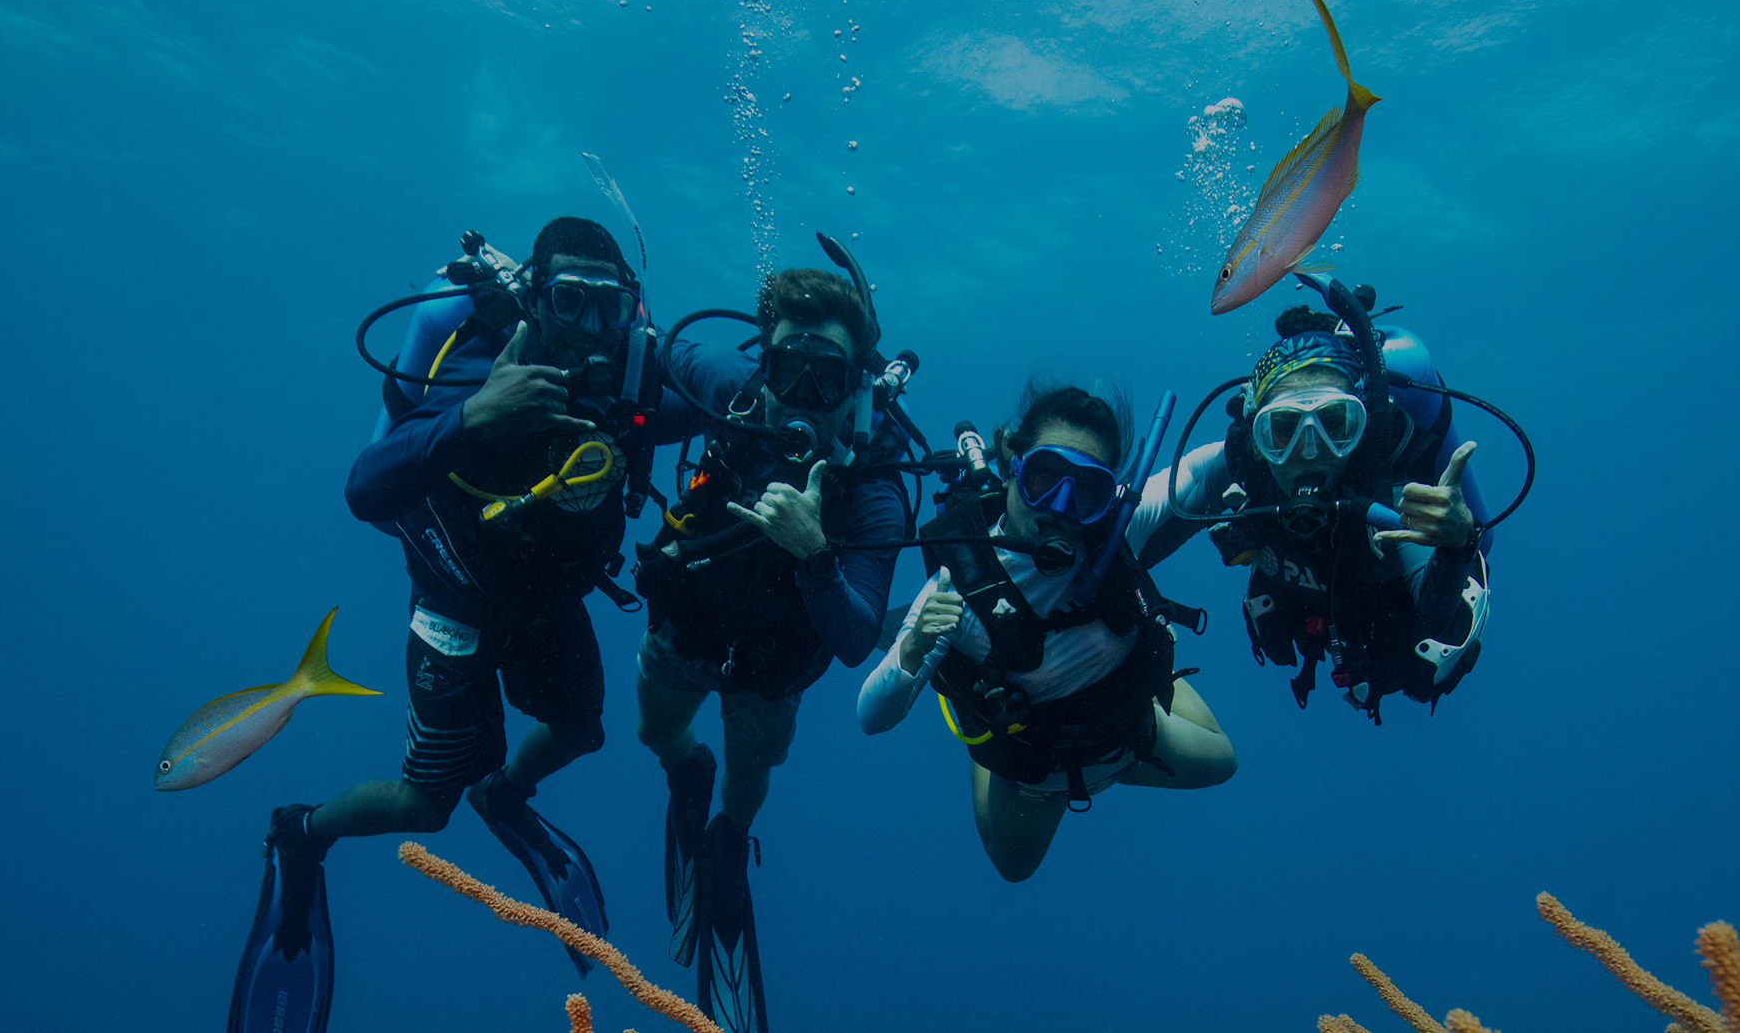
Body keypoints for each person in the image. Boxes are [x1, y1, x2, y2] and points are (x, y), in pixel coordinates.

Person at [227, 218, 679, 1033]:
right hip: (456, 612)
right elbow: (365, 490)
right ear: (536, 299)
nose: (583, 328)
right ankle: (302, 832)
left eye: (603, 308)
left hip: (547, 601)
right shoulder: (477, 364)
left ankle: (502, 795)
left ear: (628, 311)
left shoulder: (631, 382)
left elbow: (719, 398)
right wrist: (475, 413)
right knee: (424, 804)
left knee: (581, 730)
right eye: (566, 302)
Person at [633, 266, 905, 1033]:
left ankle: (729, 839)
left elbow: (856, 639)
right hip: (688, 625)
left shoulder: (876, 481)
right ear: (764, 365)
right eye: (790, 369)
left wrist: (815, 552)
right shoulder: (733, 391)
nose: (802, 396)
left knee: (749, 778)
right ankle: (688, 772)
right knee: (656, 732)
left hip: (774, 669)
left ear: (856, 387)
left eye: (827, 378)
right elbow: (656, 353)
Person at [857, 383, 1238, 883]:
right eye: (1045, 476)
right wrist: (914, 649)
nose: (1060, 506)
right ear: (1014, 465)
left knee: (1224, 761)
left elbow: (1203, 466)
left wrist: (1269, 419)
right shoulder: (956, 589)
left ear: (1109, 496)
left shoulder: (1118, 533)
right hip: (1039, 779)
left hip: (1132, 735)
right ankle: (977, 731)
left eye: (1086, 491)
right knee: (1011, 866)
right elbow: (871, 715)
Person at [1138, 301, 1492, 721]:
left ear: (1361, 429)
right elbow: (1134, 518)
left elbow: (1434, 612)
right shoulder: (1242, 463)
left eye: (1334, 423)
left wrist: (1454, 546)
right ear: (1256, 436)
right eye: (1283, 429)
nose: (1308, 452)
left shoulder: (1391, 494)